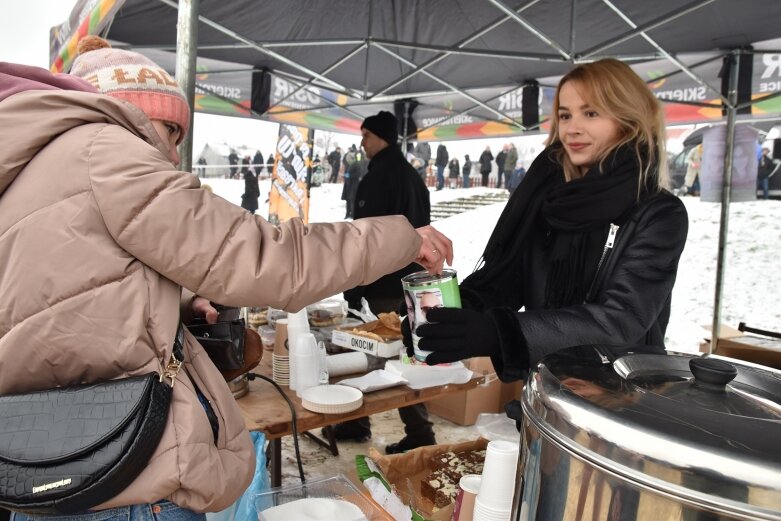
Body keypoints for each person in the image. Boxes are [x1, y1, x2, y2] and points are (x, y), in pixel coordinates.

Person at [0, 37, 453, 520]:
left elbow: (67, 300)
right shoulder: (106, 150)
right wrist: (404, 239)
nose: (172, 154)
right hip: (127, 472)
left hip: (44, 463)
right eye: (170, 131)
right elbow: (266, 258)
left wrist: (176, 300)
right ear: (129, 111)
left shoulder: (33, 165)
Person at [408, 59, 688, 391]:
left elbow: (622, 318)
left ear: (629, 119)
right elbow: (507, 282)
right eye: (565, 115)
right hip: (550, 388)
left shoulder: (659, 212)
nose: (572, 128)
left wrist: (499, 332)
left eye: (591, 113)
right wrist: (451, 312)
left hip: (622, 397)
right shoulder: (546, 198)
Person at [336, 110, 438, 454]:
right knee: (405, 352)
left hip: (383, 282)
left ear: (380, 137)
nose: (362, 143)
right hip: (412, 278)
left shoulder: (377, 178)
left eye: (365, 136)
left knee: (383, 355)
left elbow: (363, 238)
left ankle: (417, 430)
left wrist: (355, 286)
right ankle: (356, 420)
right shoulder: (411, 176)